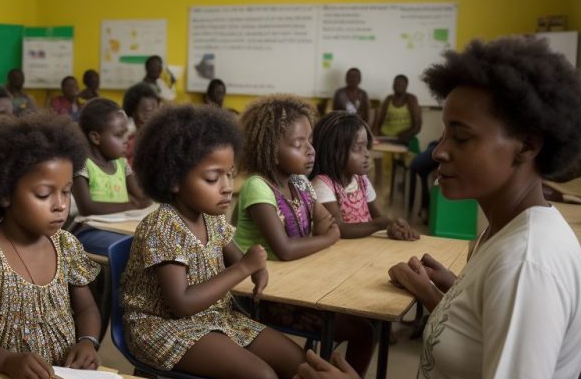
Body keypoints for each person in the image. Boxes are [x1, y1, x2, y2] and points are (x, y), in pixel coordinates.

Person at [384, 36, 581, 378]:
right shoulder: (505, 230)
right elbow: (477, 339)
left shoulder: (525, 265)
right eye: (443, 136)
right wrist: (453, 293)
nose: (439, 152)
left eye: (461, 138)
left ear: (526, 145)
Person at [121, 105, 305, 379]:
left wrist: (258, 268)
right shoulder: (163, 226)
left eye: (229, 174)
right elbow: (181, 303)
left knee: (299, 362)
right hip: (163, 326)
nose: (227, 186)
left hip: (214, 317)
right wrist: (244, 268)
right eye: (212, 177)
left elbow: (239, 258)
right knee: (262, 376)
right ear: (174, 180)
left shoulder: (212, 219)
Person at [0, 115, 102, 378]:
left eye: (66, 191)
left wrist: (88, 341)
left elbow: (87, 308)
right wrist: (6, 362)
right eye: (44, 194)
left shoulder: (66, 245)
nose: (60, 205)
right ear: (4, 193)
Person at [236, 95, 377, 376]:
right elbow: (287, 249)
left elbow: (329, 225)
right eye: (299, 144)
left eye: (310, 141)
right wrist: (326, 239)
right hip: (257, 293)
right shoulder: (257, 187)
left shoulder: (300, 183)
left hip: (294, 284)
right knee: (361, 330)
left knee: (365, 328)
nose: (311, 151)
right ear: (270, 150)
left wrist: (326, 234)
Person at [311, 111, 419, 241]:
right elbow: (338, 228)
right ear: (335, 152)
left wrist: (393, 227)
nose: (367, 154)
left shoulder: (361, 181)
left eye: (366, 147)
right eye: (358, 148)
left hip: (364, 249)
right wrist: (380, 224)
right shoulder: (323, 184)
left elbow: (379, 216)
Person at [373, 75, 422, 145]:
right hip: (387, 137)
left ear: (406, 85)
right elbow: (378, 121)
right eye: (396, 83)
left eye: (401, 83)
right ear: (393, 85)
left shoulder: (411, 99)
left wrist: (405, 135)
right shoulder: (388, 99)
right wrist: (378, 135)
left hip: (405, 138)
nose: (399, 84)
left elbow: (417, 126)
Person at [122, 82, 162, 163]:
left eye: (155, 107)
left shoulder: (164, 138)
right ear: (133, 112)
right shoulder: (125, 140)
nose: (152, 113)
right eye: (146, 110)